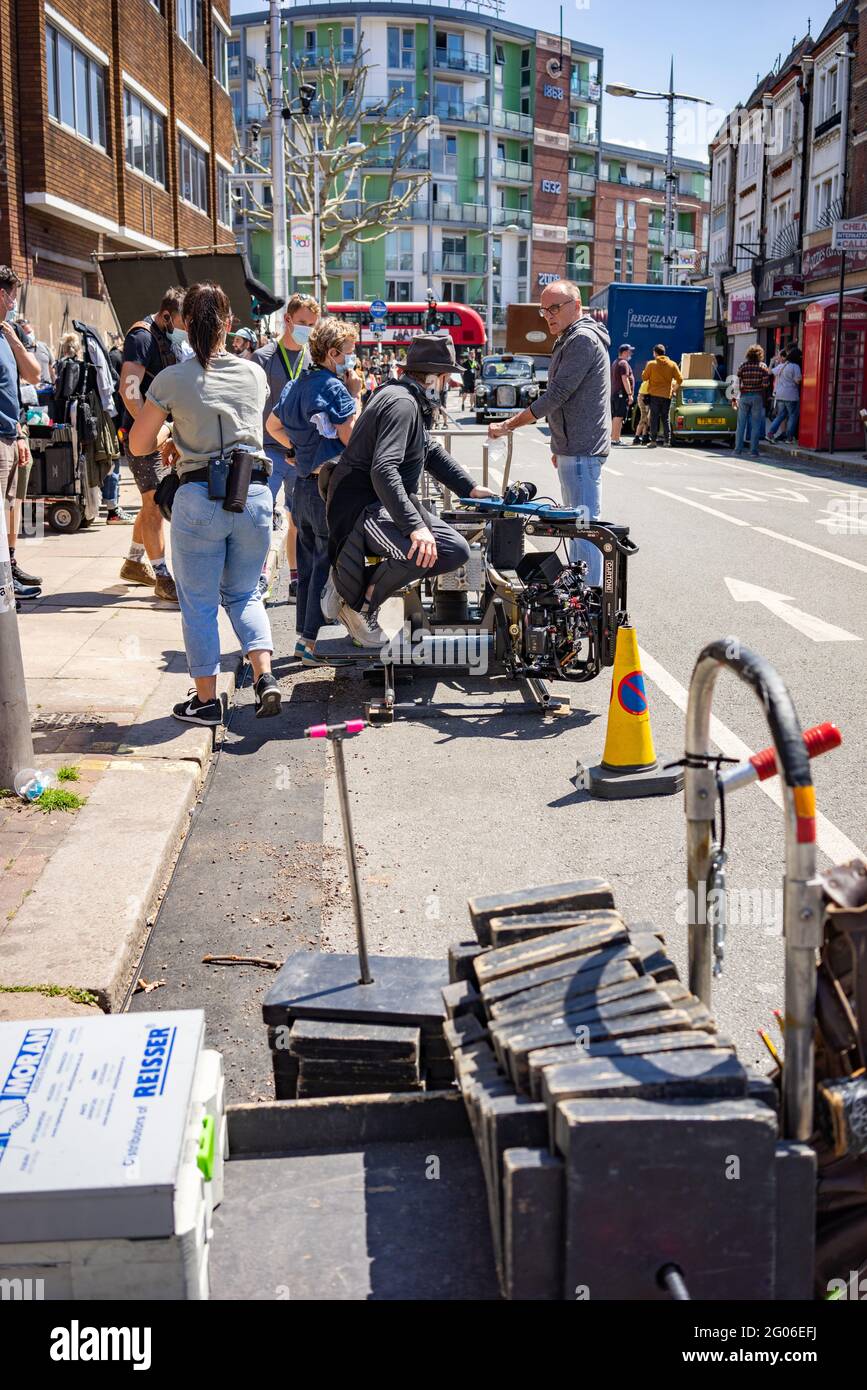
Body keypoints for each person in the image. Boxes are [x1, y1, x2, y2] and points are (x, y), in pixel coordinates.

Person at [128, 282, 281, 725]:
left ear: (185, 324)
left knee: (199, 603)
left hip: (199, 497)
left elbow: (139, 444)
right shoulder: (253, 373)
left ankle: (206, 701)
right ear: (229, 324)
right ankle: (265, 676)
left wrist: (169, 436)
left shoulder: (172, 379)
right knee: (245, 592)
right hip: (253, 495)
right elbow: (235, 424)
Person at [322, 333, 494, 647]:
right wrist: (415, 527)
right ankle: (357, 603)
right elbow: (383, 469)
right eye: (446, 380)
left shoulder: (405, 397)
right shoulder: (401, 404)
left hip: (382, 501)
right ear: (436, 378)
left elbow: (429, 451)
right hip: (362, 506)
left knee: (455, 549)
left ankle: (355, 586)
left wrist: (469, 487)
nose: (446, 387)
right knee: (423, 550)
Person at [488, 280, 610, 584]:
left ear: (577, 304)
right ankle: (583, 591)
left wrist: (508, 425)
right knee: (578, 526)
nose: (548, 315)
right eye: (544, 310)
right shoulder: (572, 337)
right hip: (574, 448)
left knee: (584, 528)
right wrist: (559, 445)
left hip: (581, 449)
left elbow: (557, 395)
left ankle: (590, 597)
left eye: (555, 307)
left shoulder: (581, 339)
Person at [266, 316, 361, 667]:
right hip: (328, 486)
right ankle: (312, 640)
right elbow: (350, 437)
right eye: (348, 353)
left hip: (302, 486)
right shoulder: (335, 388)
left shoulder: (296, 384)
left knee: (308, 564)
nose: (350, 359)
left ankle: (303, 639)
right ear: (333, 352)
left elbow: (272, 425)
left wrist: (296, 449)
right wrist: (355, 395)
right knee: (328, 562)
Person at [118, 288, 187, 602]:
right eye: (184, 323)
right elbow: (129, 387)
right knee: (155, 503)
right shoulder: (142, 336)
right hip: (144, 434)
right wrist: (148, 428)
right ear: (169, 316)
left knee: (150, 503)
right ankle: (162, 576)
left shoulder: (163, 336)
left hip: (158, 431)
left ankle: (134, 561)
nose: (187, 331)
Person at [253, 294, 320, 599]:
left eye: (312, 324)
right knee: (260, 516)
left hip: (301, 453)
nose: (307, 329)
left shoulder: (311, 359)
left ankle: (296, 579)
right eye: (303, 323)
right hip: (268, 450)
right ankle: (260, 576)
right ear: (287, 320)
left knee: (299, 518)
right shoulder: (262, 359)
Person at [0, 266, 42, 603]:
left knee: (11, 508)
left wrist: (19, 430)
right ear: (2, 294)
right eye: (13, 294)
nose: (15, 301)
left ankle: (8, 571)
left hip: (11, 435)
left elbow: (34, 375)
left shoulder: (6, 335)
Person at [734, 345, 772, 459]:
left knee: (741, 425)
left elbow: (737, 383)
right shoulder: (763, 367)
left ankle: (738, 450)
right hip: (757, 397)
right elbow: (765, 385)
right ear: (760, 355)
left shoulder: (743, 366)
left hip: (744, 396)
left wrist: (734, 398)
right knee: (755, 425)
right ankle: (753, 451)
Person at [641, 344, 682, 449]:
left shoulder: (651, 364)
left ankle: (653, 441)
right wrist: (674, 389)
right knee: (665, 418)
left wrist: (644, 372)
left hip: (654, 395)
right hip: (667, 396)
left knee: (654, 418)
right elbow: (680, 379)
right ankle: (667, 441)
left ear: (655, 353)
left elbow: (644, 378)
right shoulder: (672, 364)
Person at [766, 347, 802, 445]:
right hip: (791, 395)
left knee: (781, 415)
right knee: (792, 416)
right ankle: (789, 438)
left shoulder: (782, 365)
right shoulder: (795, 366)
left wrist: (771, 362)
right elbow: (797, 380)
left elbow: (769, 372)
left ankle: (770, 433)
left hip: (780, 395)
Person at [610, 343, 635, 445]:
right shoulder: (623, 363)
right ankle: (615, 439)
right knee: (619, 416)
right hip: (621, 394)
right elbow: (625, 379)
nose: (631, 354)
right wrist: (629, 394)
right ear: (624, 352)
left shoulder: (616, 362)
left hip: (616, 393)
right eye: (629, 352)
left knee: (617, 416)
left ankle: (616, 438)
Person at [632, 378, 651, 445]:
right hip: (644, 397)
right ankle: (637, 438)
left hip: (644, 396)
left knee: (646, 419)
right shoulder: (649, 379)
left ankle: (644, 437)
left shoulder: (647, 378)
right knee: (643, 418)